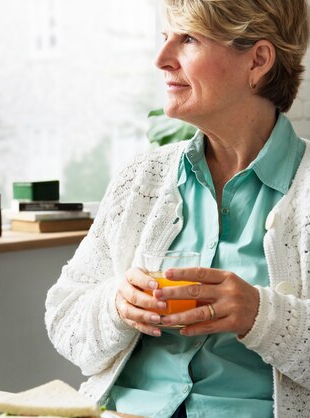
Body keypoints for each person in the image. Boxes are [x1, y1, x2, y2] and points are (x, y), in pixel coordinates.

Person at [44, 0, 310, 417]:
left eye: (188, 39)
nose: (161, 60)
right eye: (165, 38)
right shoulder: (141, 179)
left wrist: (261, 316)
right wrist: (117, 303)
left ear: (257, 60)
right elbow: (65, 320)